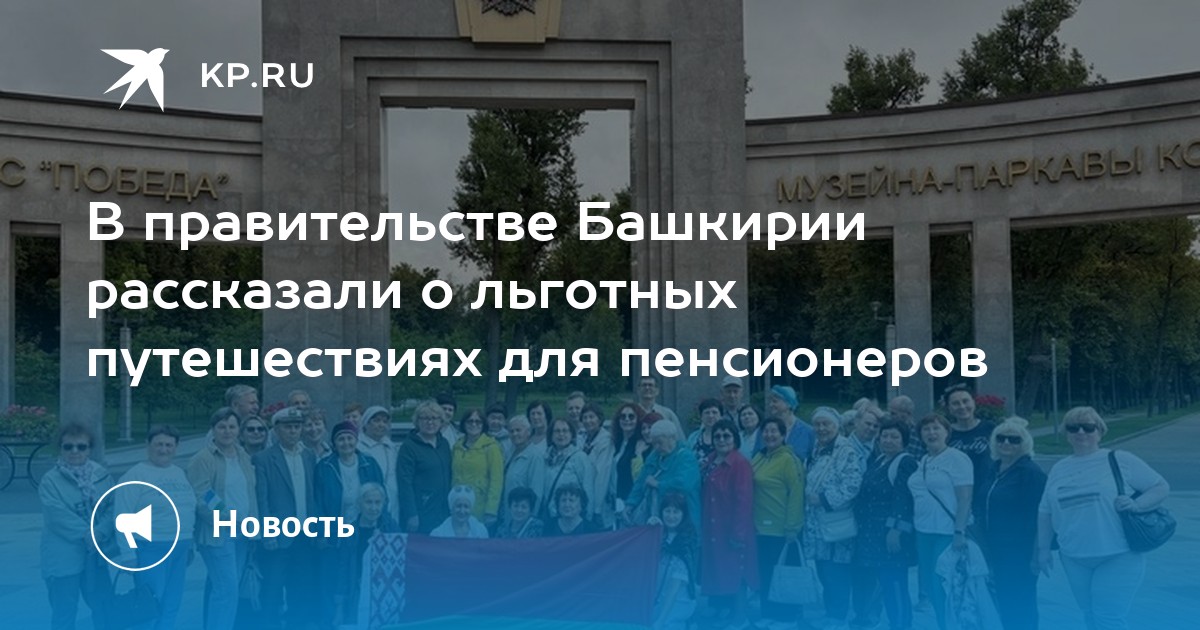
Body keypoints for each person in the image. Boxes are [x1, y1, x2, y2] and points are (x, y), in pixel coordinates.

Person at [1037, 406, 1169, 630]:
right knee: (1089, 615)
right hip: (1073, 556)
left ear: (1100, 431)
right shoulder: (1059, 468)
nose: (1081, 432)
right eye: (1073, 427)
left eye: (1088, 427)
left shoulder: (1119, 459)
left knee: (1108, 618)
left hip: (1117, 554)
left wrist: (1136, 505)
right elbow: (1045, 510)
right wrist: (1043, 550)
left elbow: (1160, 486)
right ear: (1066, 433)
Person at [117, 424, 198, 630]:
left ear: (176, 447)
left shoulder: (179, 473)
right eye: (159, 444)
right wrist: (127, 554)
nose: (164, 450)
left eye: (169, 445)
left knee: (172, 603)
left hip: (180, 547)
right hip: (151, 548)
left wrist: (190, 544)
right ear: (148, 445)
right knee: (150, 604)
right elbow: (122, 515)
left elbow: (189, 508)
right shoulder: (136, 475)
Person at [40, 422, 116, 630]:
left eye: (81, 446)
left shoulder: (102, 476)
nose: (75, 451)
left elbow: (112, 507)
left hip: (96, 557)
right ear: (60, 448)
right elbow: (57, 517)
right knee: (64, 613)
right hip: (63, 559)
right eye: (68, 446)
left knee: (104, 608)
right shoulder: (50, 481)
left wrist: (101, 531)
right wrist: (88, 534)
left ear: (89, 449)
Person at [187, 408, 258, 630]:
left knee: (231, 590)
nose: (227, 431)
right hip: (219, 534)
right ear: (213, 430)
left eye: (232, 426)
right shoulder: (203, 459)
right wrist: (230, 519)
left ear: (238, 430)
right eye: (222, 427)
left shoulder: (243, 455)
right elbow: (204, 495)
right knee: (226, 591)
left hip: (243, 532)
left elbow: (250, 493)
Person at [253, 407, 317, 629]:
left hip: (304, 533)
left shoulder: (308, 455)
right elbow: (262, 499)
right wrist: (267, 532)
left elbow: (312, 494)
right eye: (288, 427)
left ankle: (296, 624)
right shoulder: (263, 459)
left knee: (300, 586)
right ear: (277, 430)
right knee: (272, 588)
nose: (293, 431)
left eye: (297, 427)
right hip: (278, 535)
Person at [907, 414, 973, 630]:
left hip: (947, 532)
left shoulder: (957, 458)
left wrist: (959, 531)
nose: (931, 433)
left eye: (936, 428)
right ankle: (942, 623)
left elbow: (965, 497)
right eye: (926, 429)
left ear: (946, 432)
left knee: (942, 584)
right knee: (929, 585)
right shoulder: (924, 460)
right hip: (923, 531)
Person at [981, 417, 1045, 630]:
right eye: (1001, 438)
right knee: (1003, 600)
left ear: (1024, 443)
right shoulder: (995, 468)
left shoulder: (1030, 473)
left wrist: (1037, 553)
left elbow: (1041, 516)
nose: (1006, 443)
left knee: (1020, 603)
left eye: (1014, 439)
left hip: (1020, 551)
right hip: (996, 548)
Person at [853, 420, 918, 630]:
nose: (888, 440)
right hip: (871, 533)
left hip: (890, 535)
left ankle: (901, 625)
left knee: (894, 583)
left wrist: (895, 530)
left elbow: (903, 498)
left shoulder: (905, 462)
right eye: (885, 436)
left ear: (904, 441)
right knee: (880, 581)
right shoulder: (880, 459)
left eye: (894, 437)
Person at [804, 407, 863, 630]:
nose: (821, 428)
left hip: (836, 523)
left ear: (837, 426)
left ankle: (838, 616)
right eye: (817, 424)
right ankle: (831, 613)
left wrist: (823, 499)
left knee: (836, 571)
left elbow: (853, 484)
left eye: (826, 424)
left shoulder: (846, 450)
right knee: (823, 569)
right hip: (818, 524)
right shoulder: (817, 448)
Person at [700, 419, 758, 627]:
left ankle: (740, 618)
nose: (721, 440)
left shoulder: (740, 464)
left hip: (731, 527)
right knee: (719, 570)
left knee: (737, 573)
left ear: (735, 439)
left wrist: (738, 534)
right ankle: (724, 610)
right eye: (717, 436)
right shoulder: (709, 460)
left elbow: (744, 501)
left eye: (727, 436)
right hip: (713, 526)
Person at [751, 416, 805, 629]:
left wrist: (793, 527)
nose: (769, 435)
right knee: (766, 574)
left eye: (774, 431)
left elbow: (797, 494)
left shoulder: (789, 460)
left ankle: (786, 618)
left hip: (781, 529)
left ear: (783, 435)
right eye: (766, 431)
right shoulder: (759, 457)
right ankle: (769, 613)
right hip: (759, 528)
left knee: (783, 575)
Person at [333, 483, 397, 627]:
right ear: (359, 504)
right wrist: (339, 610)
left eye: (378, 502)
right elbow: (342, 570)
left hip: (385, 595)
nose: (373, 508)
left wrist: (383, 542)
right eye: (369, 502)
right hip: (357, 593)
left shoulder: (390, 528)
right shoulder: (349, 532)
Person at [625, 420, 701, 531]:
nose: (656, 447)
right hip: (658, 516)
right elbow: (641, 481)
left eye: (660, 442)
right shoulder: (655, 456)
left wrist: (658, 484)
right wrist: (630, 504)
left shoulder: (686, 457)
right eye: (654, 443)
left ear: (673, 438)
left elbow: (685, 484)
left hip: (684, 517)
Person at [398, 400, 453, 534]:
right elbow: (404, 482)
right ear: (417, 421)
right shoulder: (409, 447)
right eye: (425, 418)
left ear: (441, 422)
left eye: (434, 418)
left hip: (443, 510)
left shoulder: (444, 444)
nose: (430, 422)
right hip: (421, 510)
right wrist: (411, 514)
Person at [943, 384, 994, 519]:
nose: (962, 406)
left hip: (985, 493)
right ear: (949, 408)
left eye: (965, 401)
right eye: (955, 403)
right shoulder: (946, 434)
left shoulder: (990, 429)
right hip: (954, 496)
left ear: (973, 403)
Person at [315, 421, 384, 522]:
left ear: (356, 441)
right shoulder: (324, 467)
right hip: (334, 525)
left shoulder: (370, 464)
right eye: (341, 439)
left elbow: (382, 496)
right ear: (334, 443)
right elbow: (318, 503)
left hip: (365, 524)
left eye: (350, 438)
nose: (346, 443)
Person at [651, 492, 699, 630]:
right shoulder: (660, 534)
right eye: (667, 511)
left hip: (677, 600)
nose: (671, 516)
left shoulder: (686, 541)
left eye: (676, 512)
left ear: (683, 514)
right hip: (657, 594)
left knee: (666, 624)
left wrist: (661, 620)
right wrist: (650, 530)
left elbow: (675, 586)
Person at [451, 409, 504, 527]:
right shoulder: (457, 447)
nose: (473, 424)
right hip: (458, 505)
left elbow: (496, 480)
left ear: (483, 424)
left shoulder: (491, 447)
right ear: (464, 424)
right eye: (470, 421)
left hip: (480, 506)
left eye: (478, 421)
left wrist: (491, 510)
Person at [540, 417, 596, 521]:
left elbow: (587, 488)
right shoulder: (546, 457)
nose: (561, 434)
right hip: (549, 514)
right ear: (551, 435)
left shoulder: (579, 457)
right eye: (557, 431)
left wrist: (588, 517)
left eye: (565, 431)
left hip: (571, 515)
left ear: (571, 434)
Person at [358, 405, 400, 522]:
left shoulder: (391, 447)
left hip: (392, 500)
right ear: (366, 424)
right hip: (369, 502)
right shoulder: (358, 447)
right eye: (376, 421)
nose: (381, 425)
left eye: (384, 421)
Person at [578, 403, 615, 527]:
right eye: (585, 417)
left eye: (591, 417)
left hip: (598, 499)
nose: (588, 421)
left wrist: (597, 508)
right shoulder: (582, 439)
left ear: (599, 419)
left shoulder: (606, 442)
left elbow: (602, 476)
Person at [503, 415, 547, 518]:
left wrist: (531, 519)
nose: (514, 434)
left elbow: (536, 492)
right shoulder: (509, 453)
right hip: (508, 513)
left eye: (518, 430)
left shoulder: (535, 457)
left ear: (528, 432)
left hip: (522, 515)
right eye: (511, 431)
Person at [609, 403, 644, 517]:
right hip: (616, 499)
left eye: (631, 416)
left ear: (638, 420)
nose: (627, 419)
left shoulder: (640, 445)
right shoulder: (617, 443)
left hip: (631, 503)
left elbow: (639, 477)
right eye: (623, 416)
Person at [766, 384, 815, 460]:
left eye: (775, 401)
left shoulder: (808, 431)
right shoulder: (767, 430)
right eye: (770, 401)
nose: (770, 405)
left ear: (789, 404)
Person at [687, 398, 722, 463]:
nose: (711, 416)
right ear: (701, 416)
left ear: (721, 416)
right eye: (707, 413)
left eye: (714, 412)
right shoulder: (693, 438)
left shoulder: (727, 436)